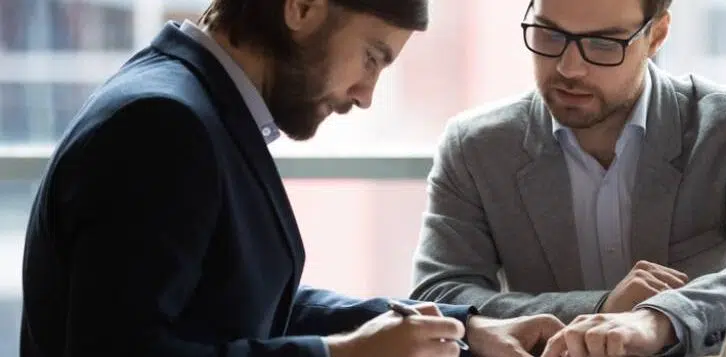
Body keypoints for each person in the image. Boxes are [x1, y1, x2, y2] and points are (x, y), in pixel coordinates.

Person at [18, 1, 565, 356]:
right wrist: (343, 355)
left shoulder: (195, 104)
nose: (366, 95)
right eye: (372, 58)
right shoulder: (164, 124)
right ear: (301, 8)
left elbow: (243, 300)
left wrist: (460, 329)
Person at [410, 0, 726, 356]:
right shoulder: (476, 148)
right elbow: (440, 296)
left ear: (656, 35)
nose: (570, 67)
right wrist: (602, 307)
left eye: (603, 44)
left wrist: (659, 321)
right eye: (550, 35)